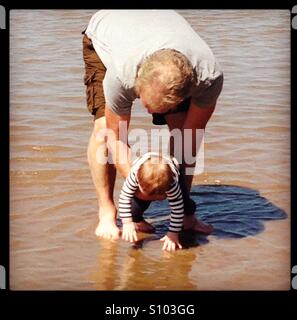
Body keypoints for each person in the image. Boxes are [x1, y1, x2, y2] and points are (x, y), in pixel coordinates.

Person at [82, 10, 223, 240]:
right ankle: (106, 212)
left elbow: (190, 138)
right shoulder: (122, 75)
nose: (148, 112)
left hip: (161, 34)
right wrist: (143, 186)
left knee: (181, 131)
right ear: (138, 85)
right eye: (147, 104)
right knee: (102, 129)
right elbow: (116, 139)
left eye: (157, 109)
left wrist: (179, 198)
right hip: (106, 32)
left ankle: (186, 215)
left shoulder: (209, 78)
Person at [119, 152, 184, 251]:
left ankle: (189, 219)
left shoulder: (172, 184)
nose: (154, 199)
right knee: (133, 210)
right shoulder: (134, 176)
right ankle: (140, 222)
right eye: (150, 195)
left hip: (172, 166)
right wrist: (127, 223)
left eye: (158, 196)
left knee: (186, 204)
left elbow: (177, 209)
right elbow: (124, 197)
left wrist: (173, 234)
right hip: (143, 162)